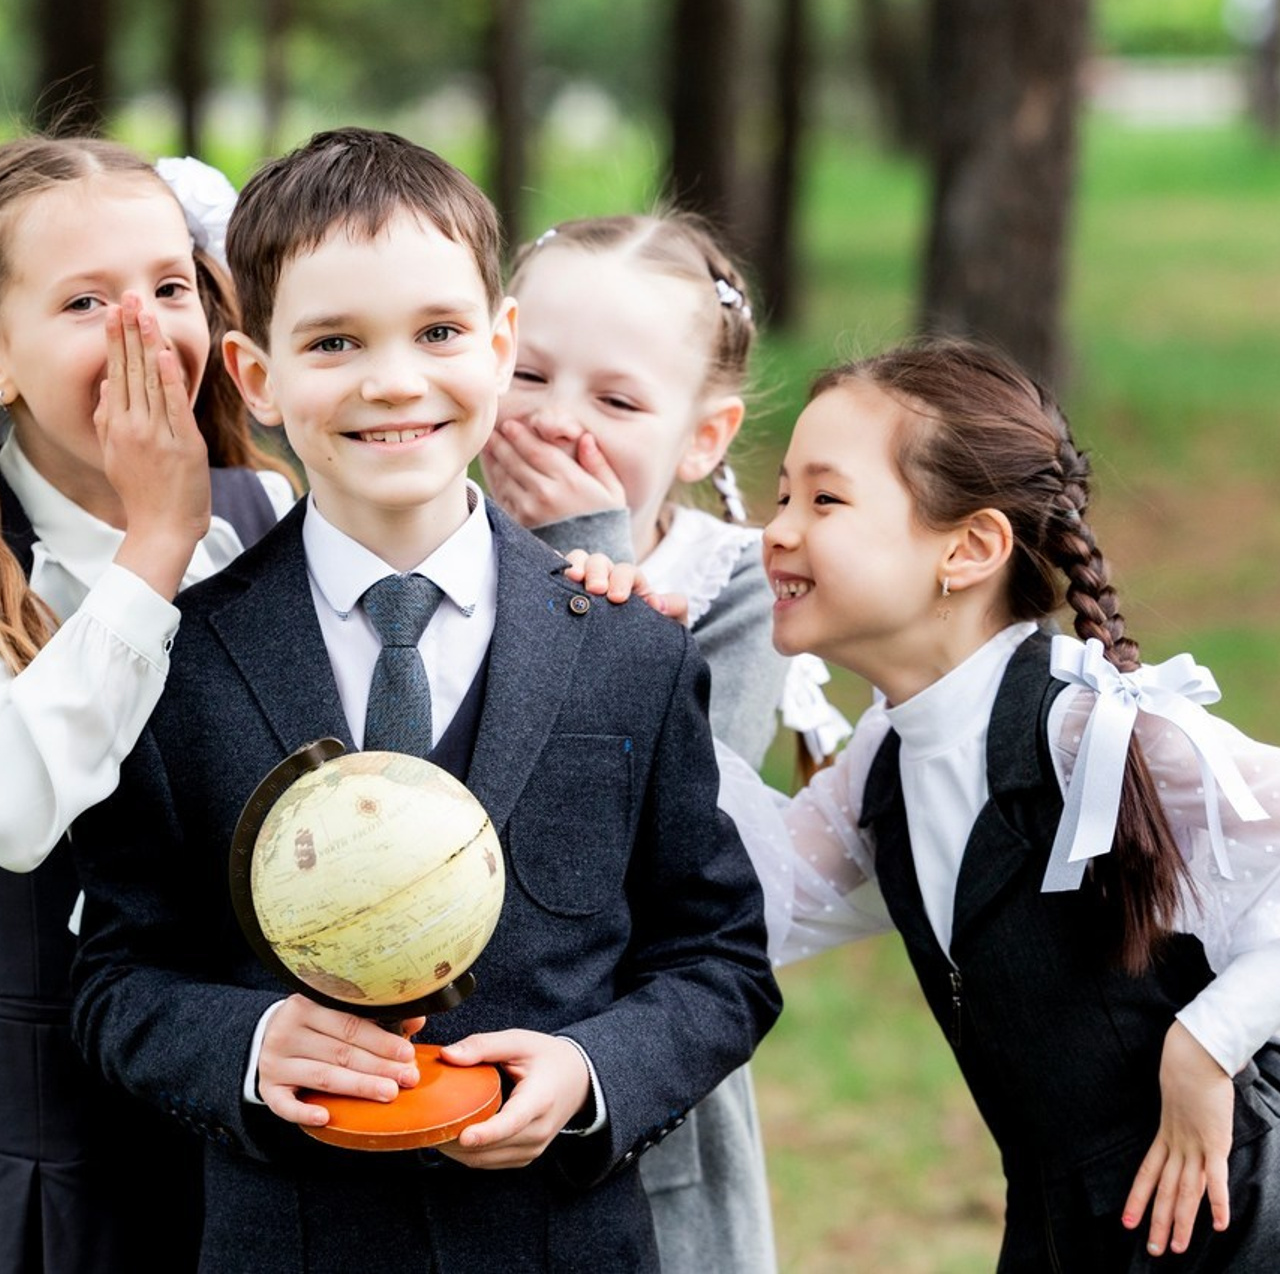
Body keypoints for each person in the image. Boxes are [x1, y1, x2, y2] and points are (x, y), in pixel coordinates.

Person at [68, 127, 781, 1274]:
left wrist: (592, 1072)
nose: (393, 379)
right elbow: (116, 977)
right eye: (334, 341)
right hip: (287, 1241)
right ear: (255, 377)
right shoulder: (180, 658)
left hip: (561, 1240)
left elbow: (717, 958)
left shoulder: (625, 649)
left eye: (439, 333)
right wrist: (246, 1044)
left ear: (499, 348)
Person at [749, 338, 1280, 1270]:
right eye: (784, 494)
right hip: (1059, 1234)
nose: (780, 528)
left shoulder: (1093, 732)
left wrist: (1204, 1047)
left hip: (1234, 1228)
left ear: (971, 548)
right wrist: (642, 675)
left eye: (825, 499)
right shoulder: (886, 759)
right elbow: (749, 898)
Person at [478, 211, 848, 1274]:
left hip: (638, 1114)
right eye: (530, 372)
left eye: (614, 399)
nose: (553, 422)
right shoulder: (433, 540)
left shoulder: (735, 585)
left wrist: (584, 553)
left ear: (703, 436)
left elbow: (657, 832)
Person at [0, 135, 299, 1272]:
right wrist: (154, 541)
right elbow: (16, 808)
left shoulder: (267, 513)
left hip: (258, 1133)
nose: (141, 328)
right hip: (54, 1177)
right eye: (85, 300)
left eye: (168, 287)